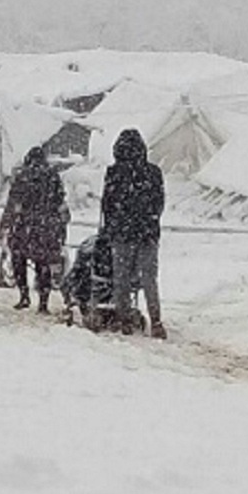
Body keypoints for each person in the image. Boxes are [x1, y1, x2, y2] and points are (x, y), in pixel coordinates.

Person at [100, 128, 167, 339]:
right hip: (147, 233)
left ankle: (124, 319)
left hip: (122, 233)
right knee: (149, 279)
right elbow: (159, 202)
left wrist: (111, 227)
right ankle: (156, 321)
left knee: (122, 278)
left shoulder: (113, 173)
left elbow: (107, 204)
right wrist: (150, 221)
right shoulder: (153, 173)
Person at [0, 146, 66, 314]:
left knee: (19, 259)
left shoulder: (22, 177)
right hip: (46, 227)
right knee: (43, 264)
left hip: (24, 226)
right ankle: (43, 302)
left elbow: (13, 203)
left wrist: (6, 223)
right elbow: (59, 201)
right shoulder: (52, 176)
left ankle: (24, 295)